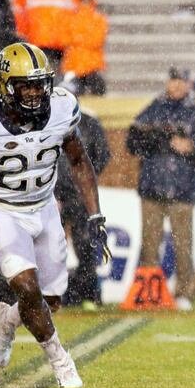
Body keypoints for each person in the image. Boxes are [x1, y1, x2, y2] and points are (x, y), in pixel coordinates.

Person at [0, 42, 111, 388]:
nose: (35, 92)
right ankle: (61, 361)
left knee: (49, 300)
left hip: (44, 206)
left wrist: (95, 215)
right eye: (25, 85)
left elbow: (78, 160)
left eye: (39, 83)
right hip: (1, 210)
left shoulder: (62, 108)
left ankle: (7, 320)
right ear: (5, 86)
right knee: (28, 288)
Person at [126, 68, 195, 311]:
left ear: (188, 84)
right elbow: (132, 142)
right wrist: (161, 139)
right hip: (152, 186)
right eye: (172, 80)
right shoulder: (153, 109)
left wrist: (192, 147)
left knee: (183, 244)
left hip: (182, 188)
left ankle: (184, 292)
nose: (175, 85)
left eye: (180, 81)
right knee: (149, 243)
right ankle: (148, 291)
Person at [59, 107, 111, 310]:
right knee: (49, 247)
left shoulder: (89, 122)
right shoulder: (46, 119)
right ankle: (50, 294)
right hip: (51, 194)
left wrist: (86, 182)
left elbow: (102, 155)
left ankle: (87, 293)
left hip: (79, 195)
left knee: (85, 245)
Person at [12, 0, 88, 73]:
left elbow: (85, 13)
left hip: (65, 49)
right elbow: (18, 12)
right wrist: (24, 37)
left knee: (59, 85)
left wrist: (74, 39)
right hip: (37, 46)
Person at [61, 0, 108, 96]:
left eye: (87, 0)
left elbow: (97, 40)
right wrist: (84, 39)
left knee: (97, 94)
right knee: (74, 95)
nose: (85, 3)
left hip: (92, 66)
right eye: (83, 0)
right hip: (74, 65)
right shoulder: (70, 18)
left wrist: (77, 39)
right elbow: (63, 39)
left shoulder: (99, 19)